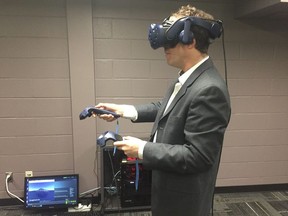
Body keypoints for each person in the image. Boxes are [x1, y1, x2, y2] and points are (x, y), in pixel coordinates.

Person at [95, 5, 231, 216]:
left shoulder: (209, 89)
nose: (164, 47)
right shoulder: (187, 76)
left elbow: (198, 156)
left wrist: (142, 149)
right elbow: (166, 108)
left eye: (171, 40)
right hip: (168, 187)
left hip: (184, 201)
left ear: (191, 41)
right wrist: (124, 110)